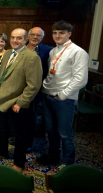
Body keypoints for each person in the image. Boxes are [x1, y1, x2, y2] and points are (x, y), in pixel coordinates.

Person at [0, 28, 42, 173]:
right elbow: (1, 75)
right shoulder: (8, 54)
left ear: (25, 40)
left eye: (19, 38)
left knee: (20, 135)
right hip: (1, 98)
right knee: (1, 127)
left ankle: (19, 163)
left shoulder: (31, 57)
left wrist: (21, 102)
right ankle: (1, 150)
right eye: (13, 37)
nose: (15, 40)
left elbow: (34, 85)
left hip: (17, 103)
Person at [37, 21, 88, 168]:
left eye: (61, 32)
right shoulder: (53, 51)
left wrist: (63, 94)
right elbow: (51, 73)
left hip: (64, 99)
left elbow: (81, 79)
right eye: (55, 32)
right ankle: (53, 155)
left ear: (69, 34)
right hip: (48, 95)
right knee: (51, 130)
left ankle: (67, 162)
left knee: (65, 132)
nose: (57, 35)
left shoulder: (78, 52)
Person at [26, 27, 52, 150]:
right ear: (28, 36)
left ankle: (28, 143)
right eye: (33, 34)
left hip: (38, 90)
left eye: (38, 35)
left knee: (31, 116)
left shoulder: (49, 51)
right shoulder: (21, 48)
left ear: (42, 37)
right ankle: (18, 137)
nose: (35, 37)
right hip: (21, 88)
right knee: (20, 114)